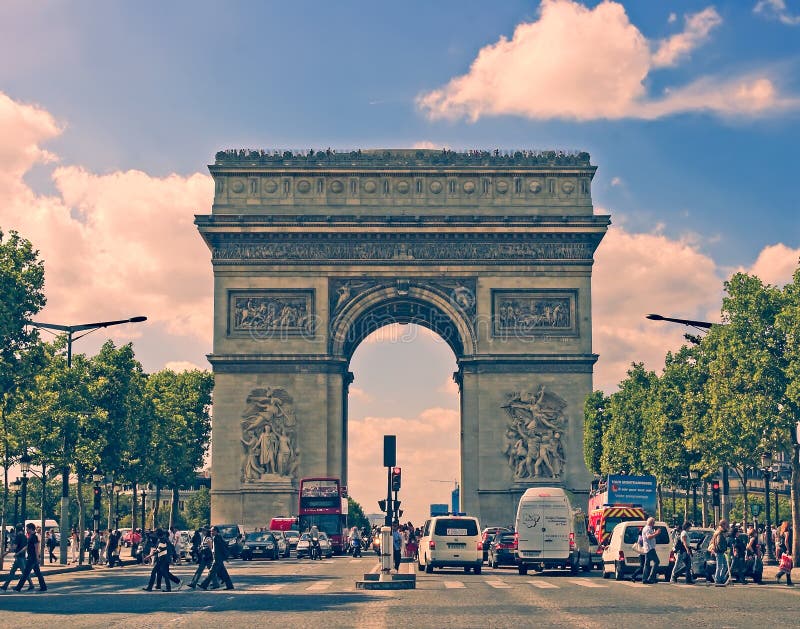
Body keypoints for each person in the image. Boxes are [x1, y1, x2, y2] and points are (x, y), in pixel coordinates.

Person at [12, 523, 47, 592]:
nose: (26, 530)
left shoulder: (34, 537)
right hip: (31, 557)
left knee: (25, 573)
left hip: (32, 558)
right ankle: (43, 587)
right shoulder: (30, 536)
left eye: (27, 528)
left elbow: (36, 547)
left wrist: (37, 557)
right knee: (37, 573)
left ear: (31, 529)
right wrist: (18, 553)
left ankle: (18, 587)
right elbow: (26, 546)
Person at [199, 526, 233, 590]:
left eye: (212, 531)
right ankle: (230, 585)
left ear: (216, 531)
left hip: (217, 559)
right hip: (218, 558)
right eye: (211, 531)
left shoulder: (216, 538)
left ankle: (204, 585)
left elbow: (222, 548)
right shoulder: (217, 537)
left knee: (211, 572)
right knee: (224, 573)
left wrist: (225, 557)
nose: (211, 532)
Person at [1, 525, 34, 591]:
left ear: (16, 530)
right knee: (12, 572)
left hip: (19, 557)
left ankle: (31, 584)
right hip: (22, 556)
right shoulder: (24, 537)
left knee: (24, 572)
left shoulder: (18, 537)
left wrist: (5, 553)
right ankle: (5, 586)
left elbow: (14, 547)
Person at [641, 517, 661, 584]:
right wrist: (657, 533)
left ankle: (645, 579)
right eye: (653, 522)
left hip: (648, 548)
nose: (654, 524)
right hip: (650, 548)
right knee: (657, 562)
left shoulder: (647, 528)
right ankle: (651, 578)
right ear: (651, 522)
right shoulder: (647, 529)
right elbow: (649, 537)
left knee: (647, 564)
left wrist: (654, 532)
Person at [711, 520, 730, 586]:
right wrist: (723, 549)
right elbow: (719, 543)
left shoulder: (720, 532)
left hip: (721, 552)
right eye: (725, 525)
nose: (726, 526)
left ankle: (721, 578)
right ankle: (717, 579)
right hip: (719, 552)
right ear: (722, 525)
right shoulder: (719, 533)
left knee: (724, 565)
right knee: (719, 566)